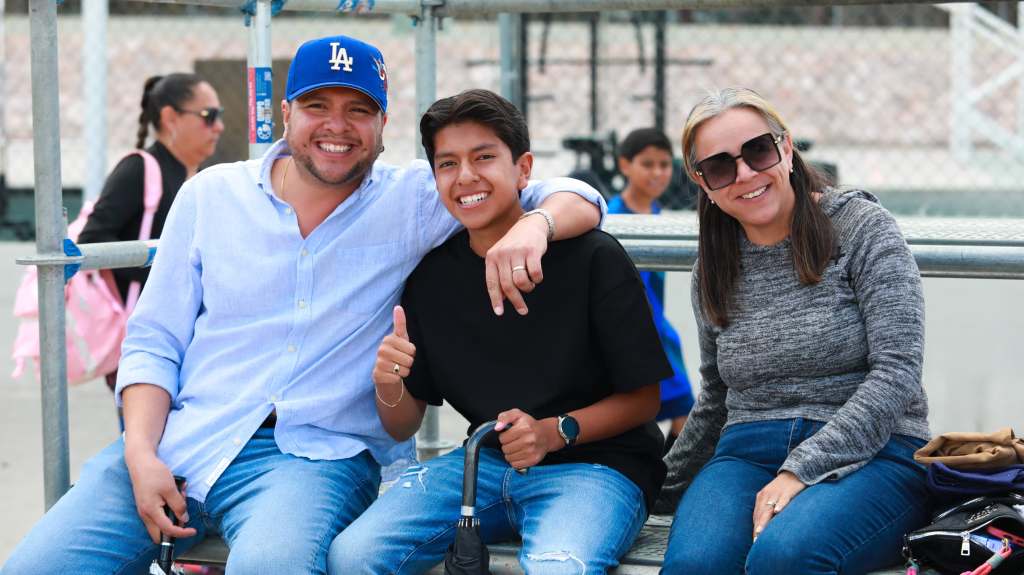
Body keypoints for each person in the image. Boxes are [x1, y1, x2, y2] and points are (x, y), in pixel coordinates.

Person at [1, 36, 604, 575]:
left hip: (316, 458)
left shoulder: (416, 198)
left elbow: (575, 193)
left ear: (383, 123)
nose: (336, 127)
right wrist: (139, 453)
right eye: (318, 106)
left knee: (273, 567)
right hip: (180, 441)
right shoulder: (212, 195)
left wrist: (536, 226)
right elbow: (154, 340)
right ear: (284, 112)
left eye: (358, 110)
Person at [329, 88, 669, 574]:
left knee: (558, 567)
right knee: (353, 555)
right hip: (480, 466)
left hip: (597, 469)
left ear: (524, 168)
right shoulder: (430, 278)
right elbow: (403, 423)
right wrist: (387, 384)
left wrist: (554, 433)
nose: (465, 176)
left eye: (484, 157)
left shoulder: (593, 257)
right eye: (447, 164)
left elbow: (645, 401)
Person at [657, 88, 931, 574]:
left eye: (757, 150)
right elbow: (717, 396)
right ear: (703, 184)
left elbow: (897, 371)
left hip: (875, 453)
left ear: (786, 149)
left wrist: (800, 469)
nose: (744, 174)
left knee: (784, 558)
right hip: (746, 453)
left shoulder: (861, 228)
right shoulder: (713, 268)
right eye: (720, 167)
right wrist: (653, 489)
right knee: (694, 565)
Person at [77, 73, 224, 393]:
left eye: (219, 117)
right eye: (208, 116)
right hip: (146, 344)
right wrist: (167, 269)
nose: (219, 127)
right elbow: (91, 242)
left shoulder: (205, 180)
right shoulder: (139, 169)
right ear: (171, 117)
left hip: (194, 343)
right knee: (146, 438)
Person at [608, 128, 695, 453]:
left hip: (660, 334)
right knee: (682, 418)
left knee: (684, 419)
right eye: (647, 164)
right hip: (641, 338)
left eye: (664, 164)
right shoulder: (613, 218)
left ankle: (664, 481)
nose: (657, 173)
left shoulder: (656, 214)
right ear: (625, 165)